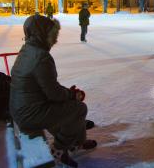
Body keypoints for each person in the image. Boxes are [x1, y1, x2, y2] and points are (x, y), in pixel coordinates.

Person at [9, 15, 96, 168]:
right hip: (30, 114)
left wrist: (69, 94)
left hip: (22, 108)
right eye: (51, 33)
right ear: (43, 34)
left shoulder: (28, 49)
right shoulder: (41, 57)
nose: (54, 38)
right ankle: (58, 149)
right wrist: (71, 94)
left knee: (69, 106)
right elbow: (54, 94)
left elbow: (48, 87)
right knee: (79, 108)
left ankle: (77, 143)